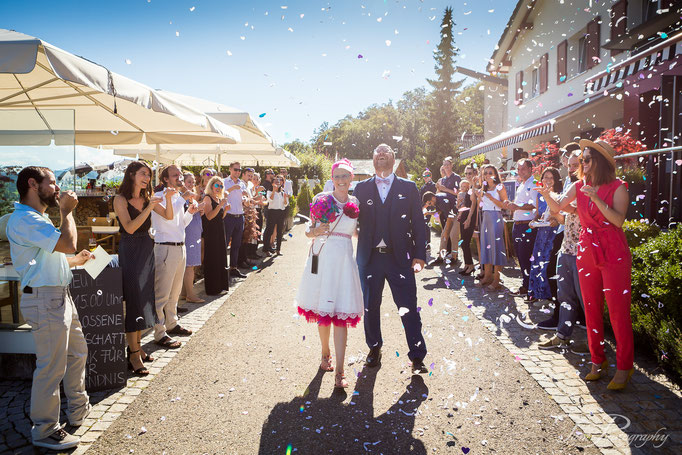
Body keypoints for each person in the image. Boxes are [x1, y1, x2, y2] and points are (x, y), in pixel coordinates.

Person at [6, 166, 94, 450]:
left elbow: (50, 257)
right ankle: (44, 429)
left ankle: (78, 410)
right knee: (51, 367)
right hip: (45, 299)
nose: (57, 188)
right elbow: (66, 243)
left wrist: (75, 261)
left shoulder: (36, 218)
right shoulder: (26, 219)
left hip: (58, 295)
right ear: (33, 184)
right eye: (53, 182)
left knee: (78, 353)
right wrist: (67, 212)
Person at [539, 139, 634, 390]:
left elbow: (618, 221)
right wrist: (548, 195)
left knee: (617, 311)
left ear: (599, 162)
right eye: (582, 159)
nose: (583, 163)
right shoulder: (579, 186)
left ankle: (625, 366)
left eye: (587, 159)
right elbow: (560, 207)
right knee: (590, 308)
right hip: (586, 249)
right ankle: (597, 360)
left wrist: (597, 199)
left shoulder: (618, 187)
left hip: (613, 249)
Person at [354, 144, 428, 374]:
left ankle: (417, 356)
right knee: (370, 307)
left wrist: (419, 255)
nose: (382, 155)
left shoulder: (409, 187)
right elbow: (350, 221)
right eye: (378, 152)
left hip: (400, 259)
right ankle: (374, 348)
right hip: (370, 258)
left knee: (408, 307)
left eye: (387, 152)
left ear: (393, 160)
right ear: (373, 160)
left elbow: (418, 222)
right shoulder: (361, 189)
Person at [296, 159, 363, 388]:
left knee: (341, 313)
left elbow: (356, 233)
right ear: (332, 179)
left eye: (345, 176)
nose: (341, 180)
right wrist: (315, 230)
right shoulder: (321, 200)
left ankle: (341, 373)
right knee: (324, 310)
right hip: (322, 259)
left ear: (351, 178)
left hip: (344, 261)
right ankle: (325, 354)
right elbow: (307, 231)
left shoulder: (356, 202)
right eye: (337, 176)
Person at [114, 162, 170, 376]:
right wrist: (148, 207)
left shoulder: (148, 199)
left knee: (145, 297)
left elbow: (168, 216)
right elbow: (129, 227)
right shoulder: (119, 199)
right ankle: (134, 355)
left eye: (149, 174)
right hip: (130, 250)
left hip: (146, 249)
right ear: (131, 175)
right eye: (143, 173)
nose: (147, 177)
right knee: (134, 299)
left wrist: (168, 198)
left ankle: (136, 347)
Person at [538, 152, 588, 353]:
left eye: (577, 164)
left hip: (582, 252)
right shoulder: (572, 187)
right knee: (565, 297)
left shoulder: (586, 188)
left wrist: (551, 200)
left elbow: (562, 208)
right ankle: (563, 336)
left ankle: (594, 344)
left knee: (586, 301)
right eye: (570, 165)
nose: (573, 168)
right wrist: (546, 196)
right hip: (566, 248)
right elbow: (559, 215)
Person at [151, 165, 198, 349]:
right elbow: (168, 218)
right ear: (165, 179)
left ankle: (172, 323)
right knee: (161, 293)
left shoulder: (177, 197)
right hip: (165, 248)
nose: (179, 177)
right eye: (175, 175)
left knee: (175, 291)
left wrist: (190, 213)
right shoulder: (160, 197)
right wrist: (182, 200)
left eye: (179, 174)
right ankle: (159, 332)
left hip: (180, 247)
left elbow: (180, 224)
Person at [528, 167, 564, 304]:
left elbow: (562, 215)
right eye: (545, 177)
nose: (547, 180)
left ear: (556, 180)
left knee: (548, 262)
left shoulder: (560, 194)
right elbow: (538, 213)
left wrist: (555, 220)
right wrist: (533, 221)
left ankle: (549, 294)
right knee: (537, 261)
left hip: (554, 233)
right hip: (541, 232)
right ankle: (537, 292)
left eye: (551, 178)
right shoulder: (539, 195)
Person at [504, 158, 538, 297]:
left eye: (523, 168)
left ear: (530, 169)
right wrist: (512, 205)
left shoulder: (534, 183)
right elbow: (521, 204)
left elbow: (535, 205)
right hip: (517, 224)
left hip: (527, 225)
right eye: (518, 169)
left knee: (525, 257)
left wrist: (517, 207)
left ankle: (529, 288)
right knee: (519, 256)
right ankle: (526, 285)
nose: (520, 171)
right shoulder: (522, 184)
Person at [476, 165, 508, 290]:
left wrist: (492, 198)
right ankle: (488, 276)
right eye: (485, 173)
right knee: (486, 245)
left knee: (496, 246)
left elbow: (505, 205)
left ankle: (497, 279)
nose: (488, 175)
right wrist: (479, 196)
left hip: (496, 217)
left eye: (490, 172)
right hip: (486, 217)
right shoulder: (484, 188)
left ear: (495, 174)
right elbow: (481, 206)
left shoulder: (499, 187)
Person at [201, 176, 231, 295]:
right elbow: (209, 217)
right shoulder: (207, 198)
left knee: (220, 257)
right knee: (213, 258)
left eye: (221, 186)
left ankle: (221, 286)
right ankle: (213, 289)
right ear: (211, 185)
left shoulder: (218, 199)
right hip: (211, 232)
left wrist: (225, 210)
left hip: (219, 230)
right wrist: (220, 206)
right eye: (217, 185)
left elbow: (219, 218)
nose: (219, 188)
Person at [181, 172, 205, 303]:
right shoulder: (182, 197)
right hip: (188, 233)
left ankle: (185, 292)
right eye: (189, 182)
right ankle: (190, 294)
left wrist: (199, 212)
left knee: (190, 265)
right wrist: (197, 209)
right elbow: (183, 216)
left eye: (193, 182)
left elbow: (194, 215)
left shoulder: (192, 197)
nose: (191, 184)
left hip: (195, 233)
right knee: (189, 265)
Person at [222, 162, 249, 279]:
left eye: (239, 170)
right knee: (225, 243)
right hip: (228, 216)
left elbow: (246, 199)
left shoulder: (242, 183)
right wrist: (233, 188)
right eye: (236, 169)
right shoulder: (223, 182)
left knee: (236, 244)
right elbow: (220, 195)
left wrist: (246, 199)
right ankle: (222, 268)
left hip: (239, 216)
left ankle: (233, 267)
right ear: (230, 169)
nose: (238, 172)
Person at [262, 174, 289, 255]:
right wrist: (274, 190)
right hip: (272, 212)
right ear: (272, 183)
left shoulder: (282, 192)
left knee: (279, 231)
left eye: (279, 181)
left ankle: (278, 249)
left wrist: (284, 198)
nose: (278, 182)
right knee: (269, 231)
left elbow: (285, 204)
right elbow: (269, 200)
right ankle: (266, 249)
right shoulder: (269, 191)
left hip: (280, 213)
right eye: (275, 181)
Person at [458, 176, 478, 276]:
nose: (468, 175)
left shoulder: (474, 188)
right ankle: (467, 264)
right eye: (467, 173)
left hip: (469, 217)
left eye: (470, 173)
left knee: (465, 242)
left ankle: (470, 265)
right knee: (463, 242)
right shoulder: (469, 189)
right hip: (464, 216)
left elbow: (474, 204)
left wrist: (469, 219)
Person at [419, 170, 437, 250]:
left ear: (430, 176)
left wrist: (426, 206)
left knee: (426, 224)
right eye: (424, 176)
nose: (425, 178)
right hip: (423, 208)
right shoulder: (423, 186)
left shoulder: (433, 185)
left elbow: (432, 197)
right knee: (423, 225)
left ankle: (427, 243)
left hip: (430, 208)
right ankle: (424, 242)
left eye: (427, 176)